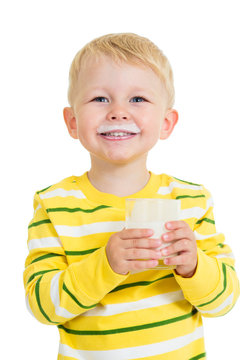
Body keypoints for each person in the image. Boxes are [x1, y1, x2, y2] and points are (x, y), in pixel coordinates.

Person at [23, 33, 239, 360]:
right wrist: (105, 264)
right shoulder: (54, 205)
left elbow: (223, 303)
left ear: (166, 123)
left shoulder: (192, 200)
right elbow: (42, 307)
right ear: (72, 121)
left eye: (138, 99)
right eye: (100, 99)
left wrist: (195, 266)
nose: (119, 112)